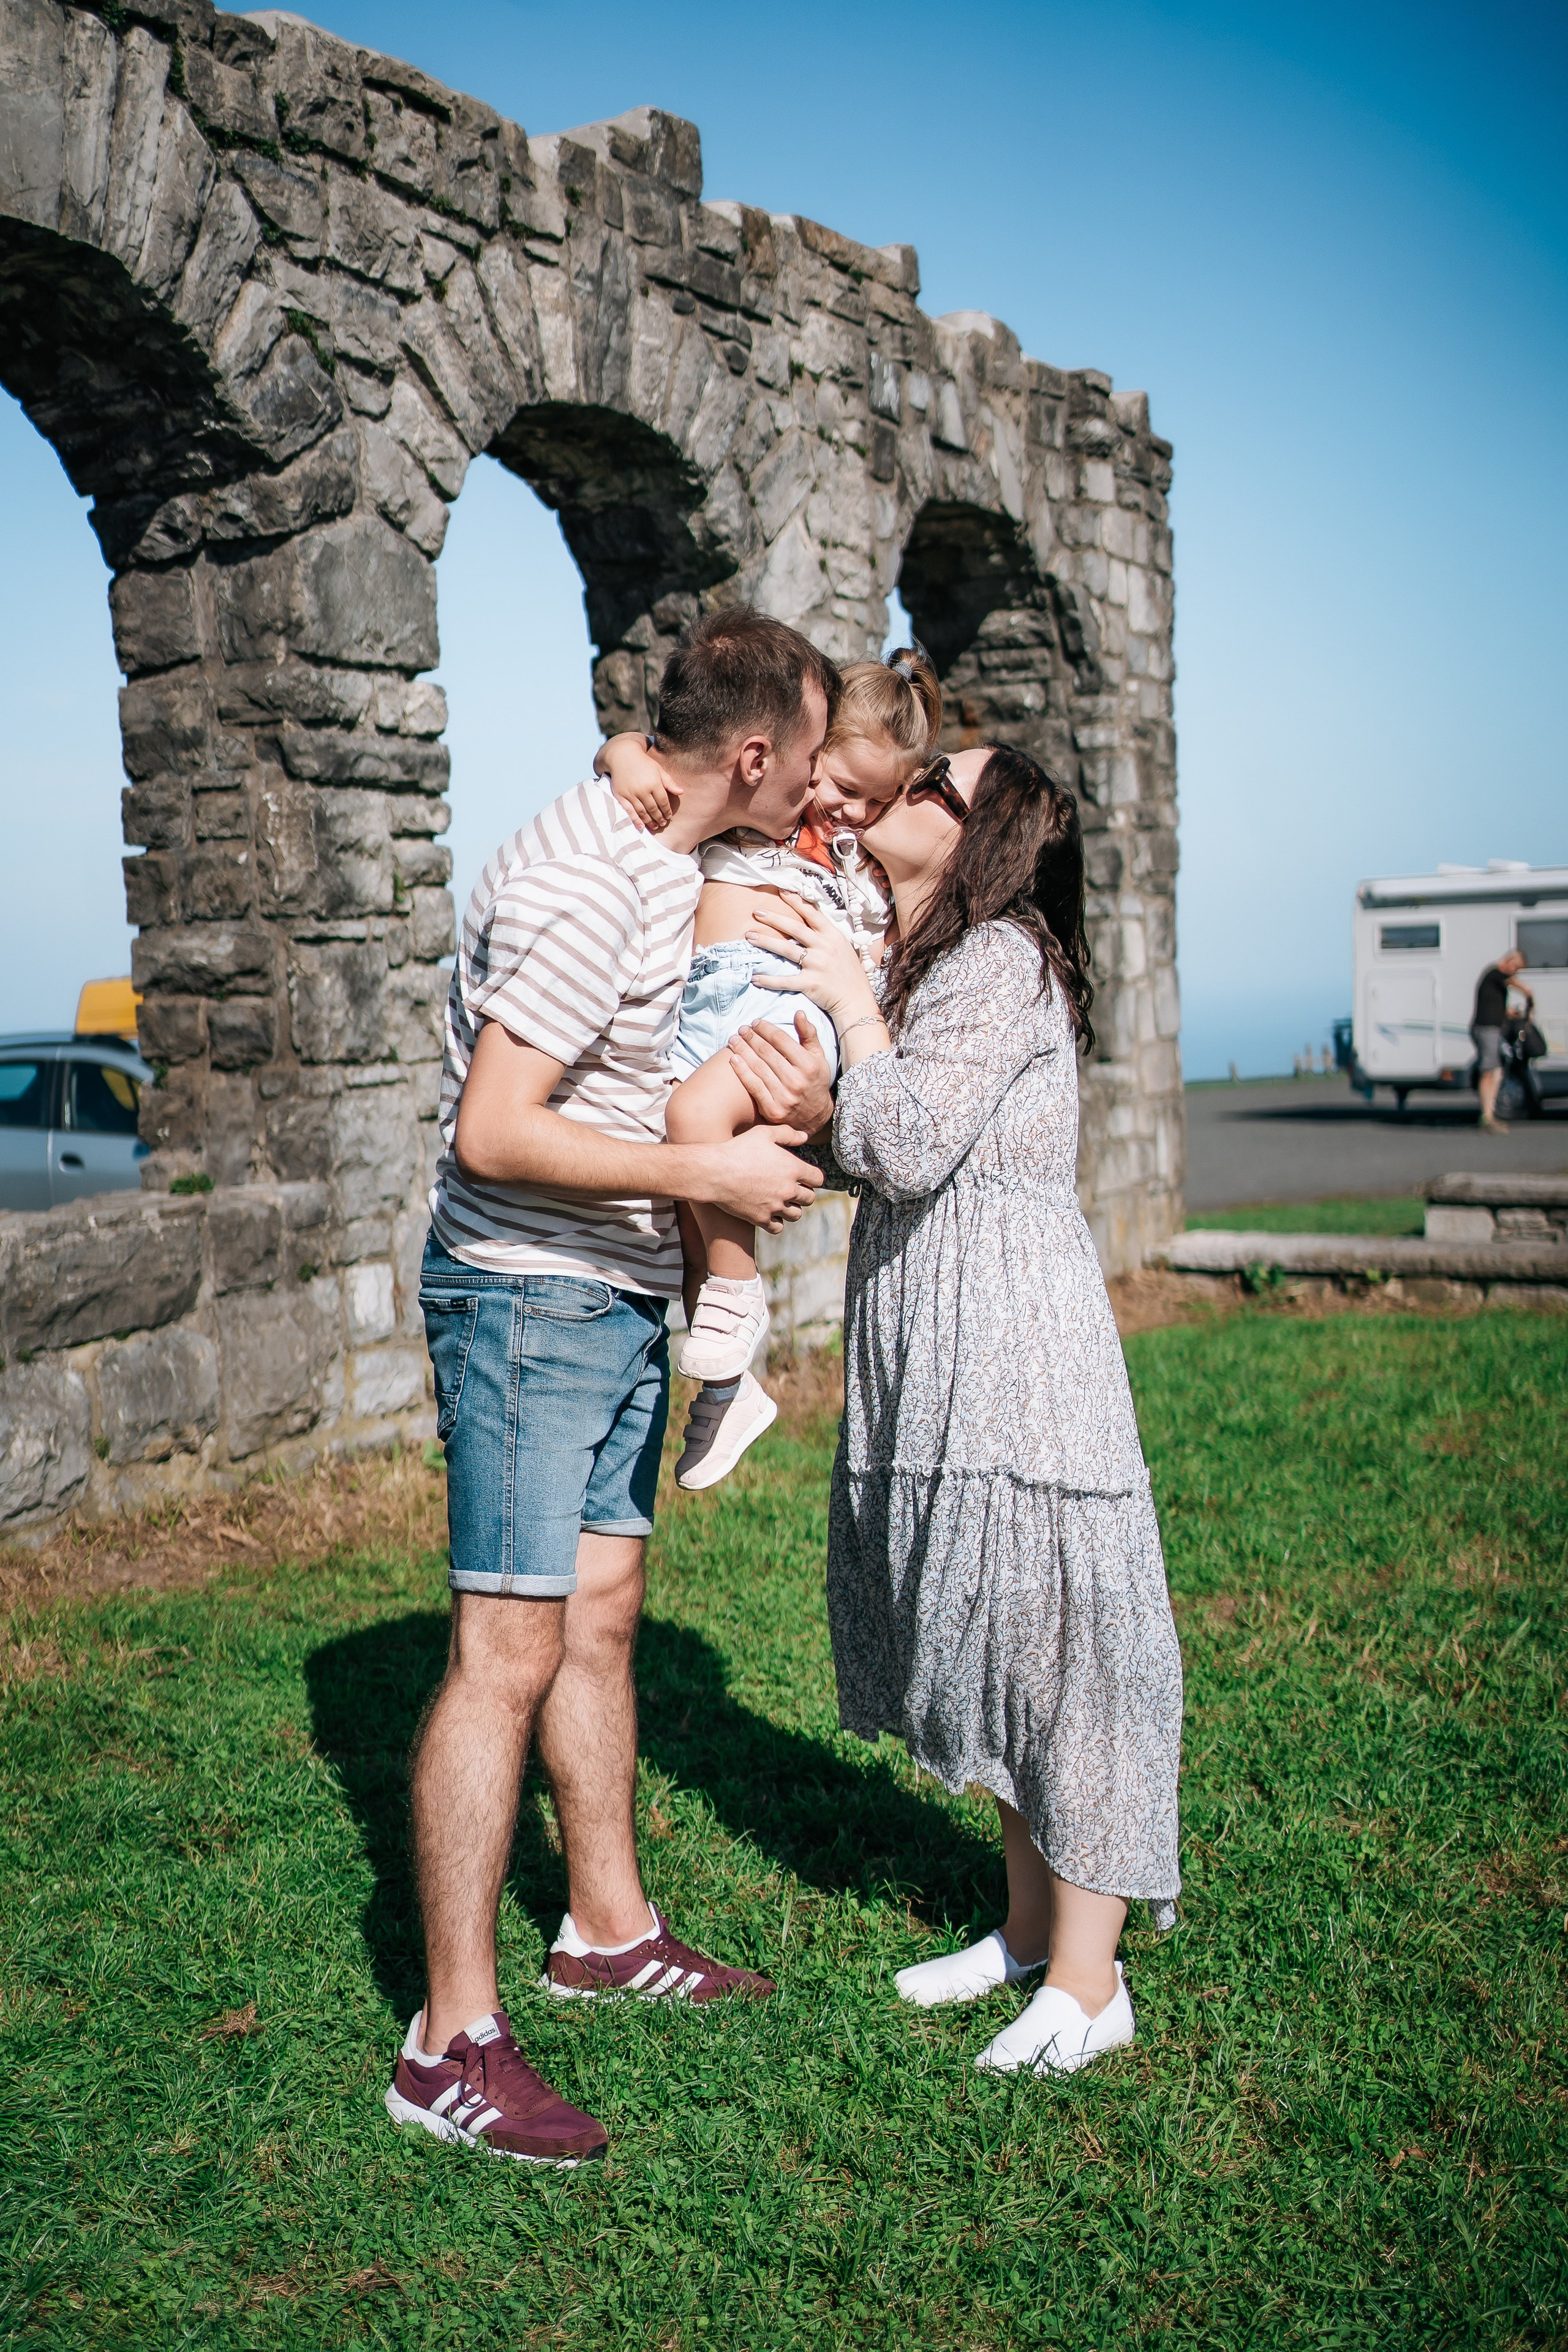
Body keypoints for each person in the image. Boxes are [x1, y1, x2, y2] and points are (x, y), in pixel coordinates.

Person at [384, 609, 835, 2169]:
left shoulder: (653, 850)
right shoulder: (591, 881)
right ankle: (448, 2036)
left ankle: (604, 1924)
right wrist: (694, 1167)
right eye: (812, 754)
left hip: (607, 1290)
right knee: (501, 1651)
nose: (823, 784)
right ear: (755, 752)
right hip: (528, 1295)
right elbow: (493, 1132)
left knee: (598, 1619)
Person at [728, 744, 1184, 2077]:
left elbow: (908, 1138)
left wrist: (840, 1019)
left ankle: (1093, 1990)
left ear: (988, 836)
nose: (905, 786)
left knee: (1060, 1651)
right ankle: (1034, 1932)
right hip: (945, 1340)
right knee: (992, 1635)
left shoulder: (1000, 958)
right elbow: (873, 1136)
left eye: (937, 783)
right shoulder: (940, 962)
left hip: (1016, 1354)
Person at [594, 649, 941, 1489]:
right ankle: (726, 1390)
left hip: (782, 1009)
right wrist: (621, 752)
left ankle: (741, 1302)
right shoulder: (775, 806)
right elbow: (657, 758)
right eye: (839, 781)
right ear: (809, 752)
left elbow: (885, 953)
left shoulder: (855, 860)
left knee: (692, 1126)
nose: (847, 808)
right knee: (685, 1203)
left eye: (873, 799)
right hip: (711, 1004)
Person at [1472, 949, 1533, 1134]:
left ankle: (1490, 1114)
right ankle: (1486, 1117)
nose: (1515, 972)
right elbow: (1515, 984)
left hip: (1492, 1029)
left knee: (1497, 1072)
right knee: (1489, 1071)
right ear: (1509, 960)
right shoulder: (1496, 973)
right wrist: (1529, 993)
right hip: (1486, 1029)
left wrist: (1510, 1013)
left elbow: (1493, 1003)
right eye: (1515, 967)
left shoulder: (1497, 980)